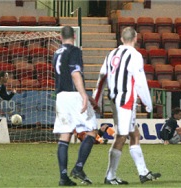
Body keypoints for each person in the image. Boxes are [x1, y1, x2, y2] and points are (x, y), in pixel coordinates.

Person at [93, 27, 161, 185]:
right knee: (121, 136)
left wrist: (96, 99)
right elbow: (140, 81)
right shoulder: (135, 55)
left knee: (134, 134)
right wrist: (148, 103)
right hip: (126, 102)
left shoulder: (111, 54)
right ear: (136, 38)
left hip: (115, 100)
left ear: (121, 39)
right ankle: (110, 176)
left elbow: (102, 77)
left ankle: (143, 172)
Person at [52, 26, 98, 186]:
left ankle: (63, 177)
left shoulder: (56, 53)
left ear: (60, 37)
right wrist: (84, 95)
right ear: (74, 35)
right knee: (92, 131)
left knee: (65, 135)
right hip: (74, 95)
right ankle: (78, 167)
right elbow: (75, 73)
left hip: (61, 97)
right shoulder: (75, 50)